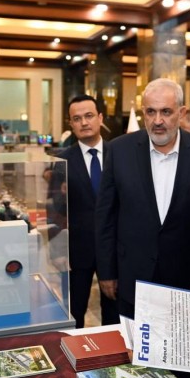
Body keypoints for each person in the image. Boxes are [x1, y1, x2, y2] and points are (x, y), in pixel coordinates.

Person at [96, 78, 190, 378]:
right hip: (132, 279)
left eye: (166, 111)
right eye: (150, 112)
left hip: (187, 283)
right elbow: (106, 216)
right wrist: (106, 271)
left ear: (182, 112)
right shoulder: (119, 150)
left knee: (183, 374)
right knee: (134, 372)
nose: (158, 120)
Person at [56, 95, 119, 328]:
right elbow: (55, 209)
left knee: (114, 315)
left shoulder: (119, 154)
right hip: (76, 253)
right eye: (77, 118)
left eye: (89, 116)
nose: (84, 122)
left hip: (114, 249)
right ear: (71, 124)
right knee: (74, 314)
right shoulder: (61, 161)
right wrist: (57, 251)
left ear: (100, 118)